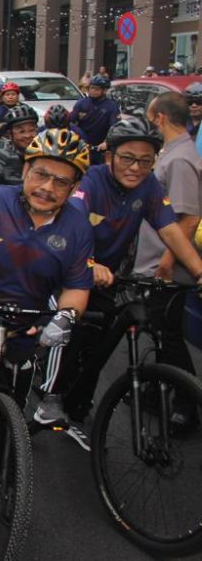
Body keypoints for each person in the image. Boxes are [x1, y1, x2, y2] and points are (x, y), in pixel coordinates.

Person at [38, 116, 202, 430]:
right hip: (67, 270)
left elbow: (170, 230)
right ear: (110, 156)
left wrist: (198, 271)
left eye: (145, 160)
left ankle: (80, 402)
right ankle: (49, 398)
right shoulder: (90, 181)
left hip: (108, 278)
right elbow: (72, 226)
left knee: (101, 345)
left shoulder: (150, 186)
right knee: (69, 330)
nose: (136, 168)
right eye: (127, 158)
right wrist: (90, 263)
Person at [0, 128, 94, 436]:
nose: (47, 187)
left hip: (25, 326)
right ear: (25, 169)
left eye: (61, 181)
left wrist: (66, 317)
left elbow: (78, 285)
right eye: (40, 174)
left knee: (9, 425)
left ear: (74, 187)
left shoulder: (78, 227)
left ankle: (2, 475)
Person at [131, 92, 202, 418]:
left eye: (150, 118)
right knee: (159, 332)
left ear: (159, 118)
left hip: (166, 267)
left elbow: (188, 217)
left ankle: (188, 405)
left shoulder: (180, 159)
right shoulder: (172, 153)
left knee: (169, 336)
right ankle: (154, 393)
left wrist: (169, 261)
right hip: (155, 262)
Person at [70, 74, 119, 162]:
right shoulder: (81, 103)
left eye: (97, 89)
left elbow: (114, 128)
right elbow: (71, 122)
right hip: (80, 147)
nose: (93, 91)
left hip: (99, 149)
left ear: (104, 91)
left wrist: (106, 142)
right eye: (91, 88)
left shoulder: (111, 106)